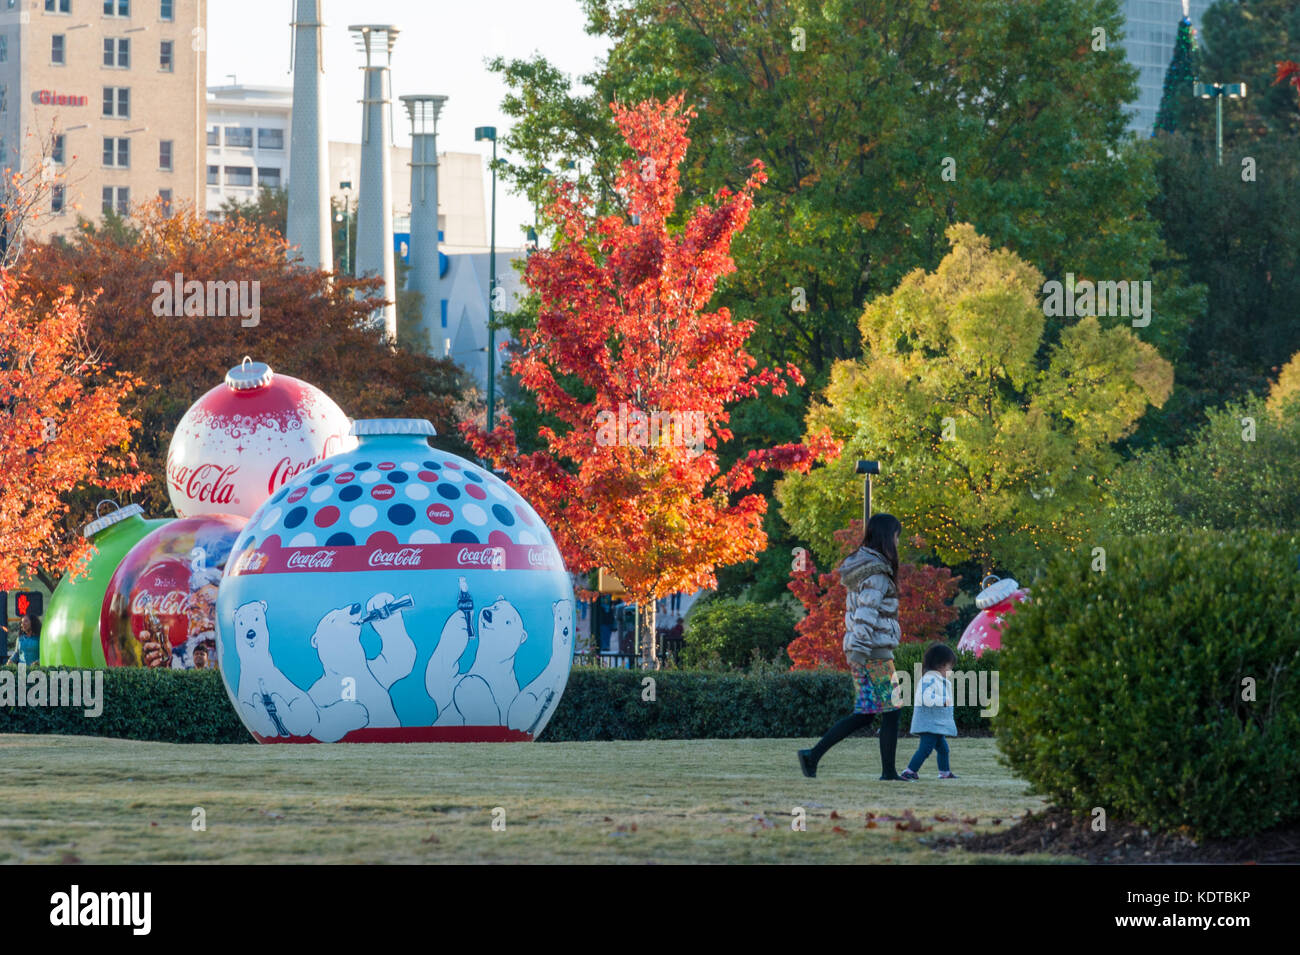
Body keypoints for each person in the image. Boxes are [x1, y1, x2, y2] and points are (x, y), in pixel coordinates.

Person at [798, 513, 904, 780]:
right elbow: (866, 614)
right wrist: (861, 652)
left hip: (863, 651)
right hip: (873, 653)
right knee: (892, 710)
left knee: (867, 714)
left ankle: (812, 756)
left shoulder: (863, 568)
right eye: (896, 536)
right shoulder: (877, 574)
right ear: (887, 537)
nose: (897, 542)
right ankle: (888, 773)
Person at [900, 642, 959, 780]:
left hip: (936, 724)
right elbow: (925, 697)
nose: (951, 671)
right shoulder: (929, 679)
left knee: (943, 749)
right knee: (925, 749)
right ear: (940, 666)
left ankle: (944, 772)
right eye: (950, 667)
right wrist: (942, 700)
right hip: (928, 724)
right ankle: (909, 771)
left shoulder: (939, 680)